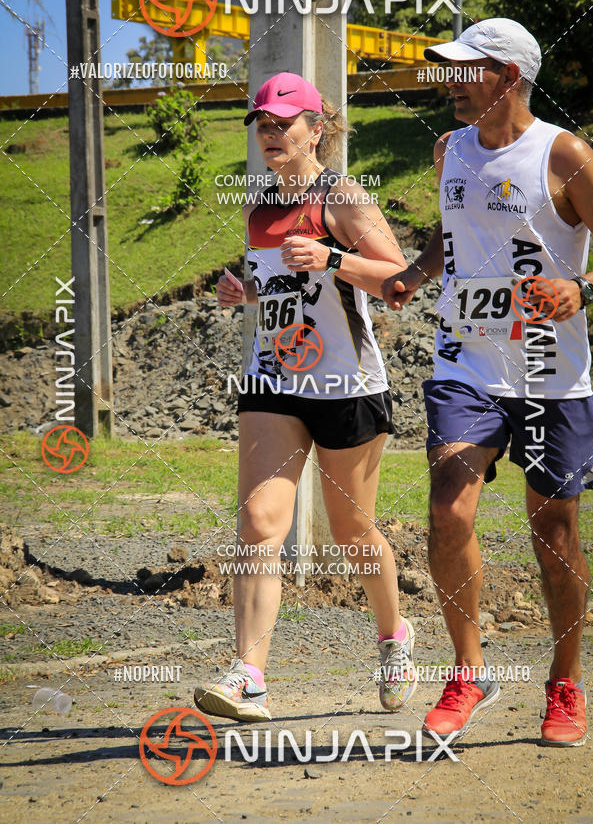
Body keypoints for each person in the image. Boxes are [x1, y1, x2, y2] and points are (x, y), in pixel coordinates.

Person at [382, 18, 593, 747]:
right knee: (449, 509)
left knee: (555, 534)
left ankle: (564, 681)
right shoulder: (450, 151)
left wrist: (581, 289)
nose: (448, 81)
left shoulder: (565, 155)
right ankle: (468, 670)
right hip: (466, 360)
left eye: (463, 69)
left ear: (507, 77)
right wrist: (416, 273)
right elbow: (450, 235)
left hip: (548, 372)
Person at [194, 72, 416, 722]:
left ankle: (394, 637)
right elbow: (279, 284)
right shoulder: (258, 207)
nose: (270, 134)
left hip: (347, 386)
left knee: (352, 534)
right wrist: (247, 294)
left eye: (282, 123)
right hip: (275, 379)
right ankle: (249, 675)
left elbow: (401, 283)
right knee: (260, 522)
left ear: (316, 129)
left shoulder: (344, 198)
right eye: (262, 124)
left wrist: (331, 258)